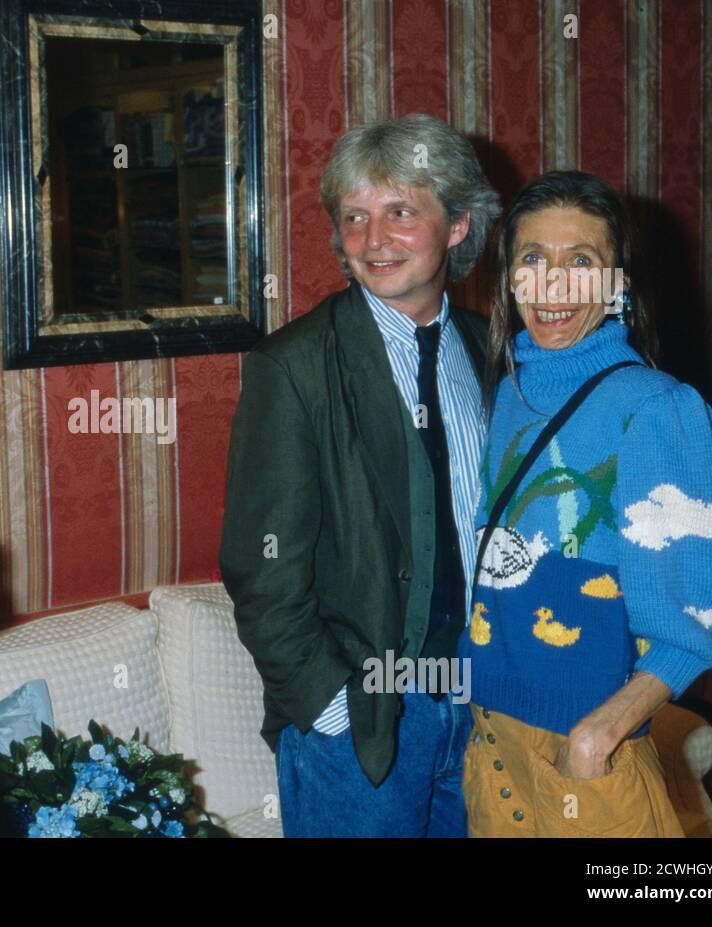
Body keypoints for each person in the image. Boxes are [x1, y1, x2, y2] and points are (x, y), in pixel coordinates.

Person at [219, 114, 500, 836]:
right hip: (364, 729)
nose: (373, 241)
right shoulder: (294, 366)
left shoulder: (492, 351)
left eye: (401, 212)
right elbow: (261, 566)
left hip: (484, 705)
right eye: (354, 218)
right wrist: (334, 707)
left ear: (460, 224)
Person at [459, 170, 712, 837]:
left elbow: (691, 620)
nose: (553, 286)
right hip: (493, 745)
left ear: (618, 285)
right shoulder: (507, 397)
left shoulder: (656, 407)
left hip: (589, 750)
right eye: (532, 259)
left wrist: (596, 736)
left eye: (581, 261)